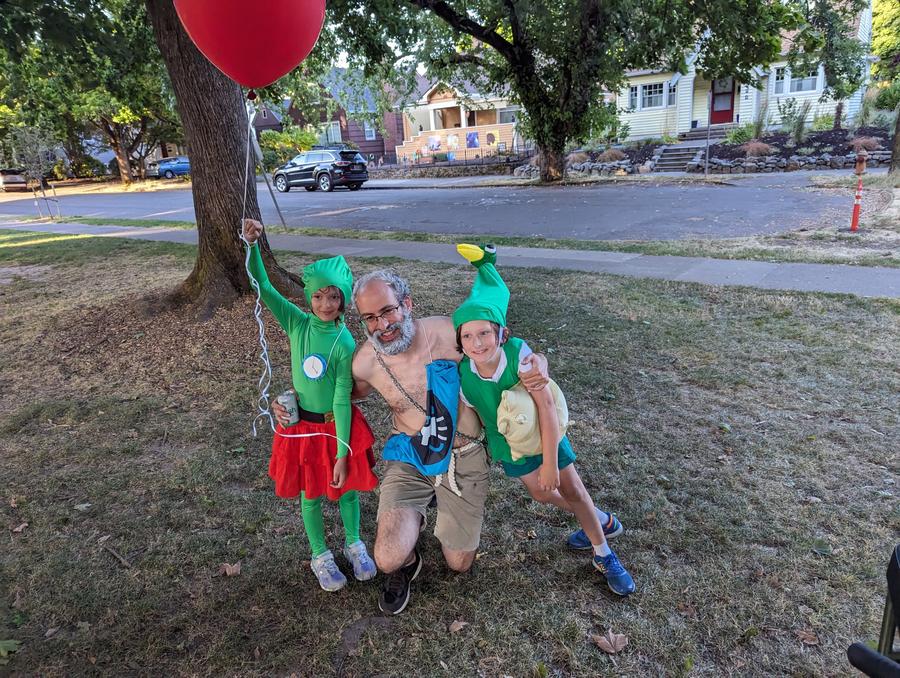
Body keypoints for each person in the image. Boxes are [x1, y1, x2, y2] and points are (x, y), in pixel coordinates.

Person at [452, 243, 635, 596]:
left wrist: (550, 461)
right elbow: (470, 412)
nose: (477, 342)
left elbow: (547, 408)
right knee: (539, 492)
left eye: (485, 332)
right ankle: (598, 519)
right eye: (468, 335)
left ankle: (603, 553)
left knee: (573, 490)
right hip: (509, 443)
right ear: (459, 340)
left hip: (542, 433)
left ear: (500, 331)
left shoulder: (519, 357)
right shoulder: (464, 373)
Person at [242, 218, 378, 593]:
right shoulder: (297, 324)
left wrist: (340, 453)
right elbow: (265, 287)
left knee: (346, 487)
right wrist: (253, 245)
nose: (324, 304)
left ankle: (354, 544)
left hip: (337, 426)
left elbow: (340, 397)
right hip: (302, 427)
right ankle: (320, 554)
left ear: (343, 300)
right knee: (311, 494)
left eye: (333, 297)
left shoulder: (347, 343)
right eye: (318, 296)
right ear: (308, 296)